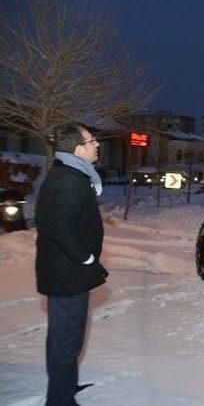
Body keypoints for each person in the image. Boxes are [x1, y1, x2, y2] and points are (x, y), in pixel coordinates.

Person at [35, 123, 108, 406]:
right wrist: (86, 257)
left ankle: (64, 387)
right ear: (77, 149)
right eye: (92, 141)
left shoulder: (72, 174)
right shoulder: (69, 179)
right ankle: (60, 400)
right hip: (68, 273)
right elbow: (60, 228)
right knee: (66, 341)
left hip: (67, 272)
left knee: (65, 338)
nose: (97, 144)